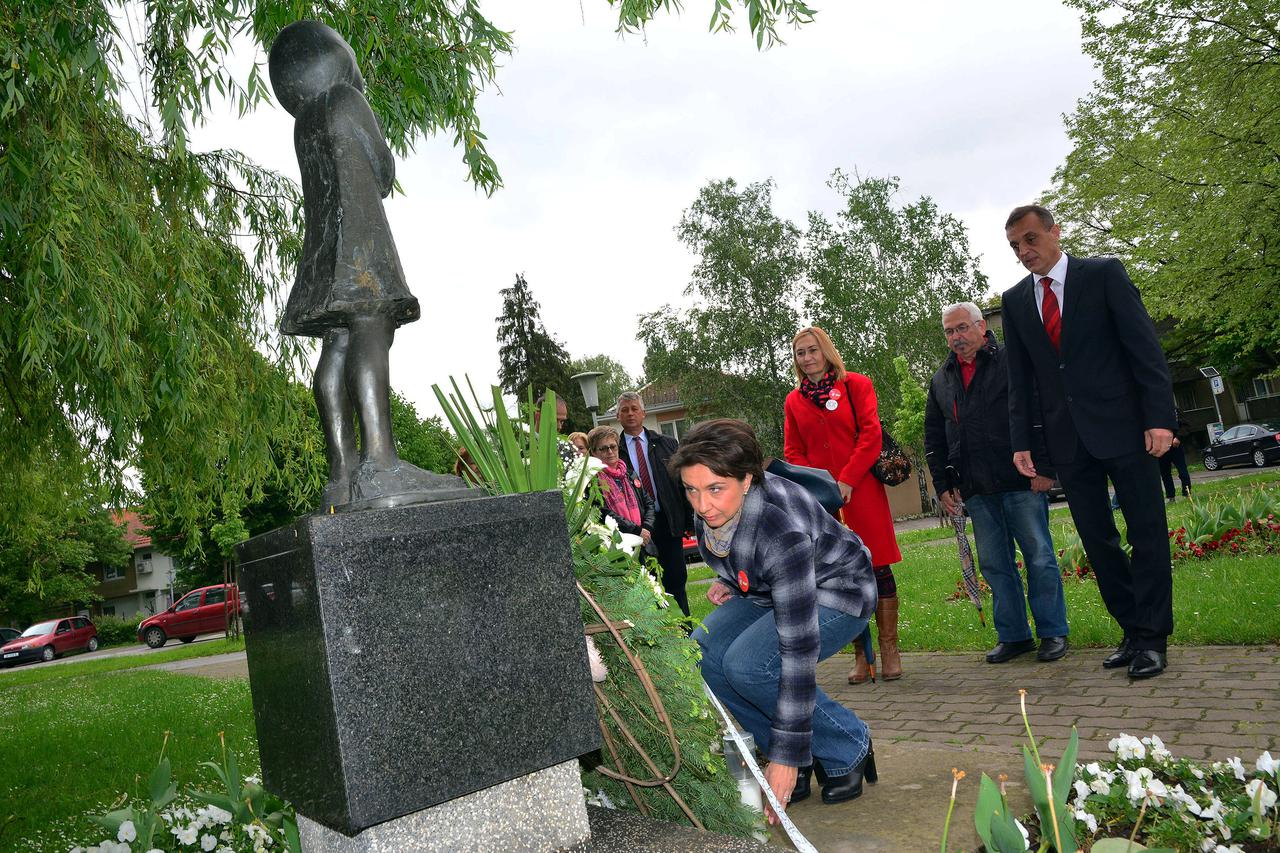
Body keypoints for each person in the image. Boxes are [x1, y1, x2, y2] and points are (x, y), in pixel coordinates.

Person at [1002, 204, 1176, 679]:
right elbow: (1021, 380)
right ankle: (1131, 629)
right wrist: (1023, 441)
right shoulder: (1016, 301)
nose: (1024, 252)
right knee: (1099, 542)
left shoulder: (1103, 275)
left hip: (1125, 429)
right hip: (1067, 441)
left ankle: (1153, 637)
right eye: (1016, 246)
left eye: (1031, 240)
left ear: (1056, 233)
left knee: (1146, 533)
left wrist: (1159, 418)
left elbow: (1145, 349)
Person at [675, 419, 879, 822]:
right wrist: (731, 579)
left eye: (715, 489)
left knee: (750, 666)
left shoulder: (777, 525)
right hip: (773, 592)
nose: (701, 505)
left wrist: (783, 753)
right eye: (691, 490)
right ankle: (800, 758)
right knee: (703, 653)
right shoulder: (714, 506)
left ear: (747, 479)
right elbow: (742, 553)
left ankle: (846, 745)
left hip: (839, 591)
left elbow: (797, 650)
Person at [924, 302, 1069, 664]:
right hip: (975, 488)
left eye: (962, 328)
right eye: (949, 331)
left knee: (1039, 557)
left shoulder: (1011, 361)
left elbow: (1041, 412)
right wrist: (943, 484)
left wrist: (1047, 470)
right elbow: (934, 437)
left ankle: (1052, 632)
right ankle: (1015, 636)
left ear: (981, 327)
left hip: (1022, 481)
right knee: (994, 565)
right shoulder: (941, 378)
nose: (956, 337)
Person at [783, 327, 904, 683]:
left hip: (862, 490)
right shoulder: (793, 401)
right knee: (839, 575)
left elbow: (871, 434)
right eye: (800, 353)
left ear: (826, 351)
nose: (806, 358)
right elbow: (793, 451)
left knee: (877, 567)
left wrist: (847, 479)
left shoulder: (857, 385)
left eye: (812, 350)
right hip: (824, 503)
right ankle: (860, 656)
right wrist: (821, 487)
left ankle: (889, 649)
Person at [616, 391, 692, 616]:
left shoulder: (667, 444)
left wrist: (688, 520)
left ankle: (686, 632)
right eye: (625, 410)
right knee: (647, 585)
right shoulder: (614, 450)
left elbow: (682, 483)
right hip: (637, 528)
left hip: (668, 522)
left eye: (634, 409)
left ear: (643, 413)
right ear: (619, 416)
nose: (630, 414)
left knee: (676, 580)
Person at [587, 426, 654, 547]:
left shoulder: (630, 474)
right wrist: (635, 530)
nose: (610, 452)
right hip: (615, 545)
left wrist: (646, 528)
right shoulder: (592, 480)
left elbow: (648, 503)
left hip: (644, 541)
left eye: (613, 446)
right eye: (603, 448)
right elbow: (601, 512)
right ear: (593, 452)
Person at [1160, 408, 1193, 502]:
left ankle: (1187, 493)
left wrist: (1178, 437)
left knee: (1182, 471)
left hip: (1175, 447)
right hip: (1162, 447)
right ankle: (1171, 496)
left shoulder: (1174, 410)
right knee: (1165, 473)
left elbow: (1186, 425)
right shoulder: (1154, 410)